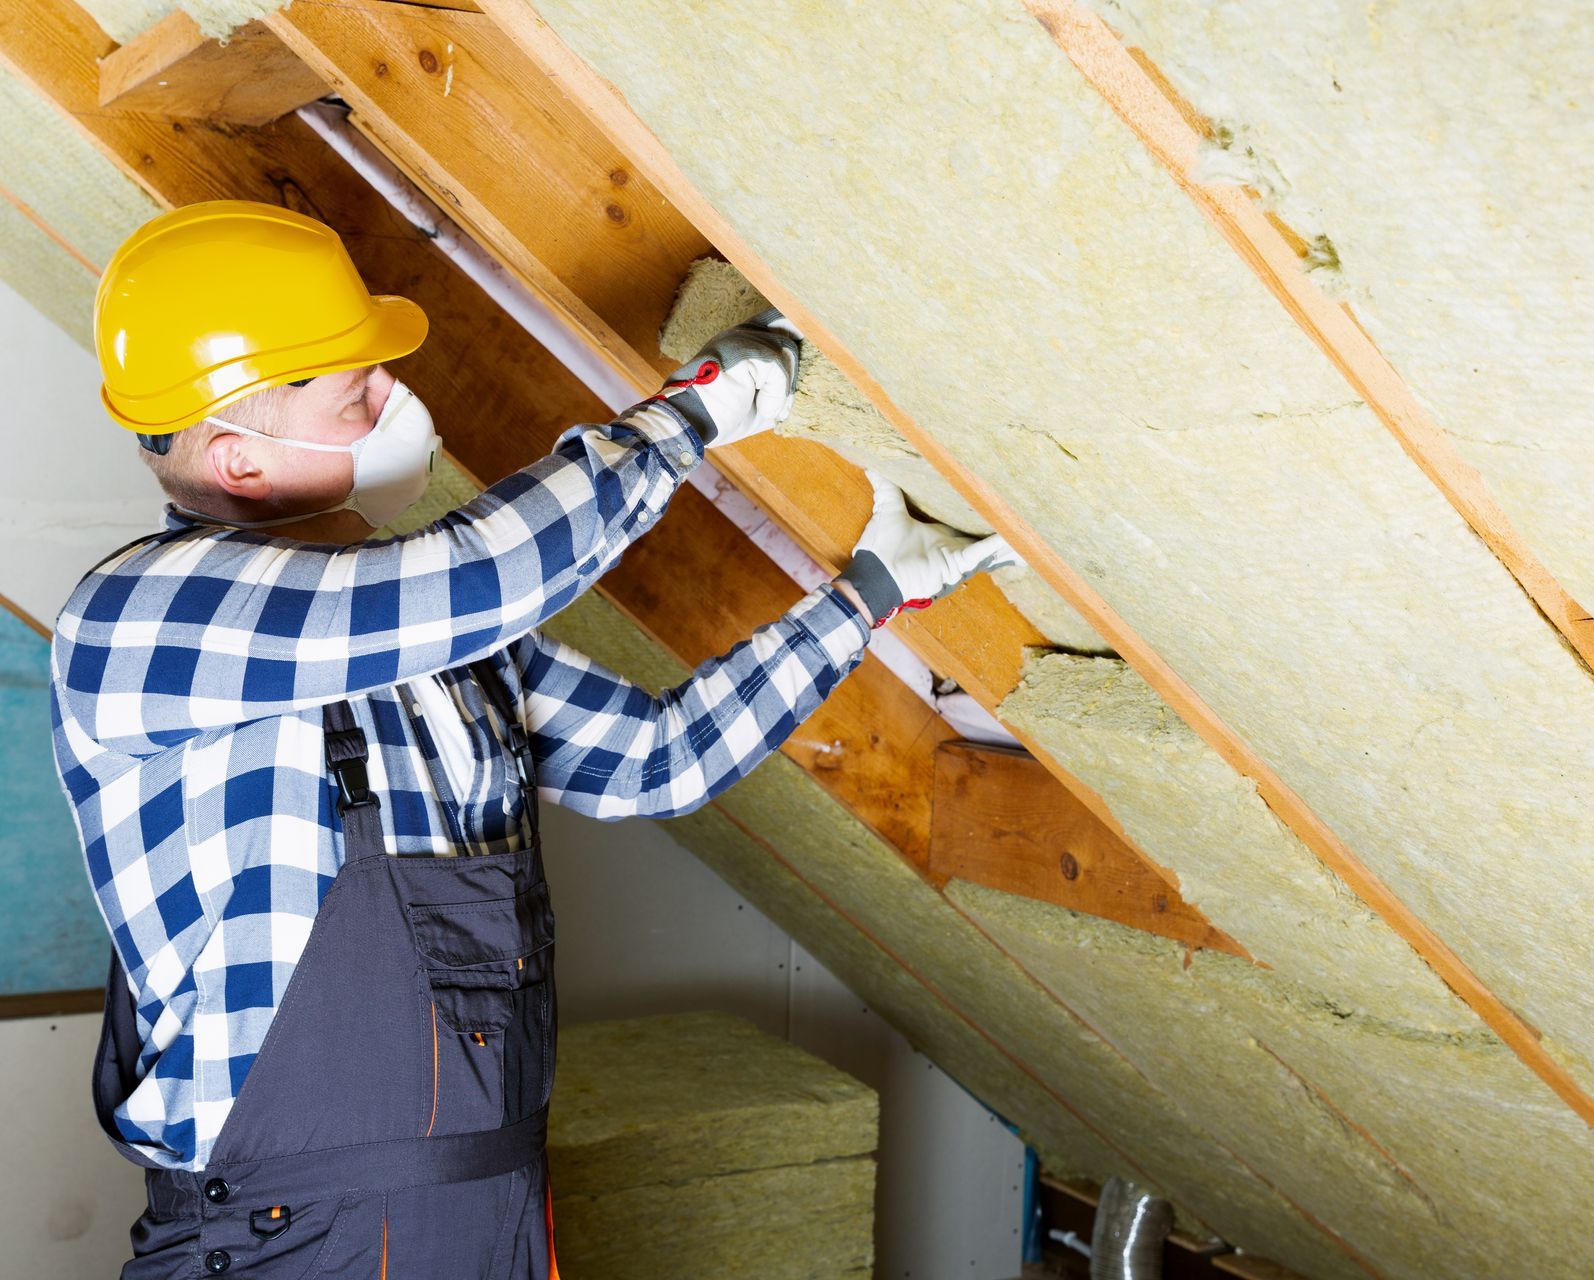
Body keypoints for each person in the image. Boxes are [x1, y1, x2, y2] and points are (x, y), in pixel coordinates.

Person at [53, 200, 1014, 1278]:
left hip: (490, 1210)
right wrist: (692, 416)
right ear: (239, 462)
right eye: (352, 391)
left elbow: (655, 759)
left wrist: (868, 595)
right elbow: (486, 573)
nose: (391, 403)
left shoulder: (431, 636)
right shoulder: (139, 617)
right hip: (293, 1238)